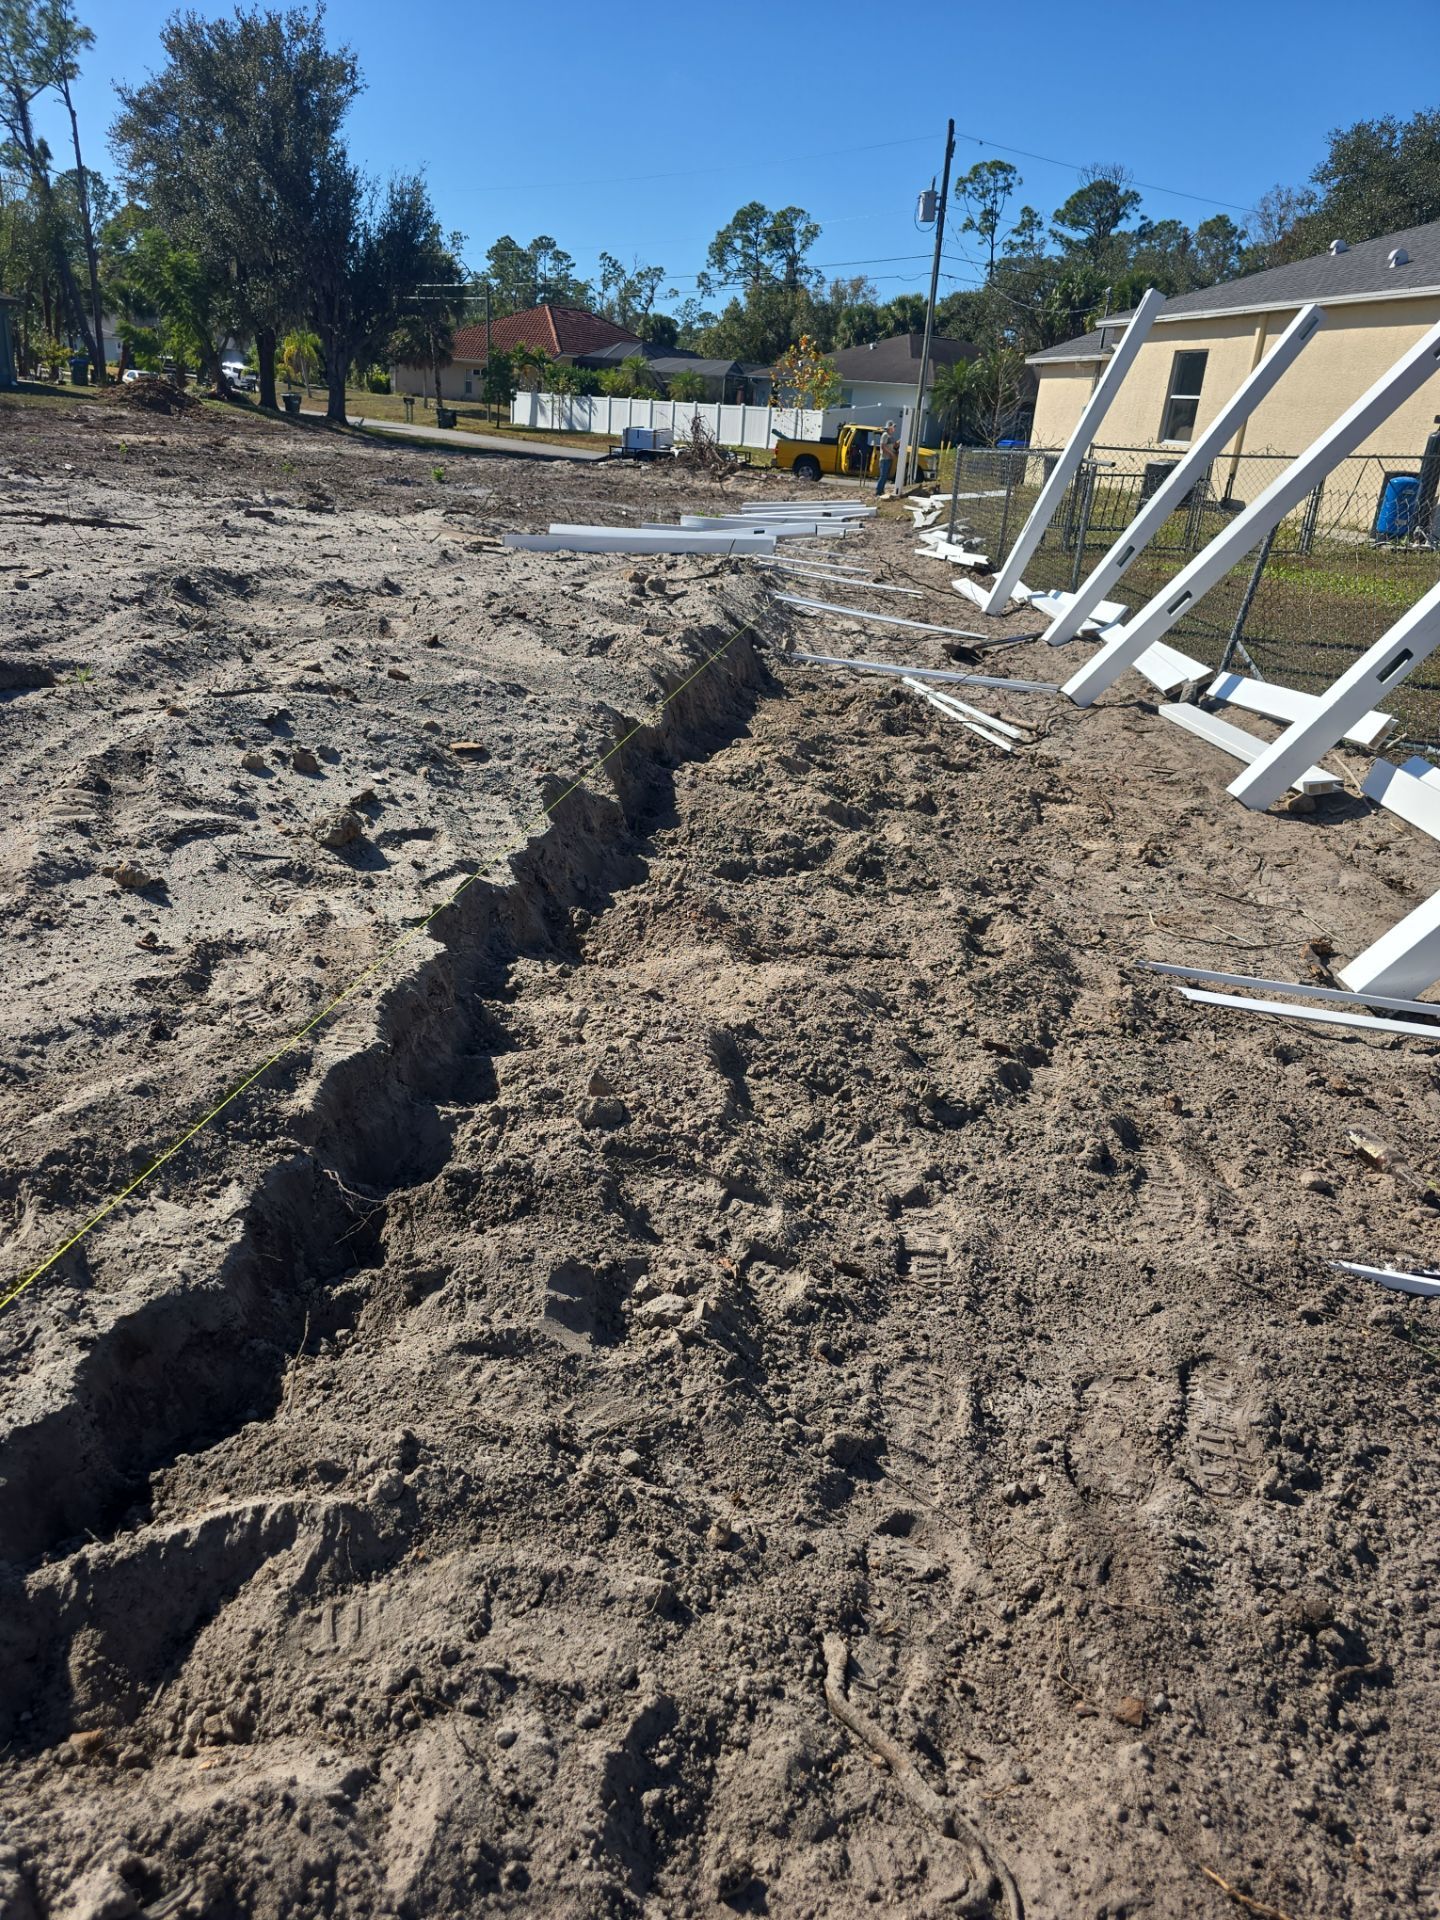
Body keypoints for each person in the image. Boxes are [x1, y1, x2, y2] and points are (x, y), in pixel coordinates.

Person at [875, 420, 898, 497]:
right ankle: (878, 491)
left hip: (888, 459)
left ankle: (881, 491)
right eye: (893, 427)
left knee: (885, 476)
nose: (894, 428)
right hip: (884, 459)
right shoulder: (885, 435)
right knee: (883, 476)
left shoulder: (891, 437)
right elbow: (883, 446)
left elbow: (894, 446)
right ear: (889, 428)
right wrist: (891, 453)